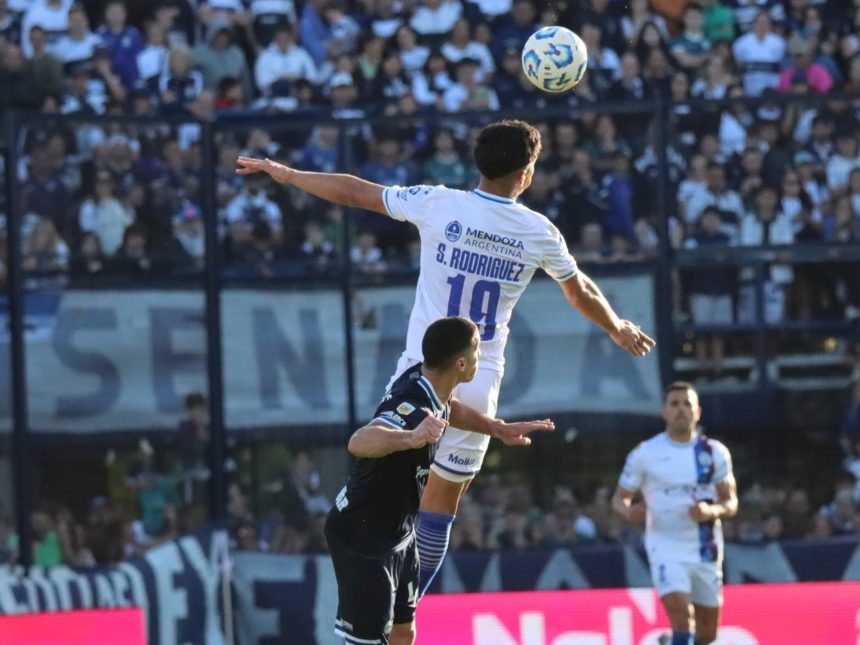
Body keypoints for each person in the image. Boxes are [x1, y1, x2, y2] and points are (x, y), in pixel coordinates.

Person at [236, 118, 656, 597]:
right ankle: (404, 614)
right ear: (526, 175)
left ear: (478, 163)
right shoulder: (539, 231)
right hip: (477, 378)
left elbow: (357, 193)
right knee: (439, 509)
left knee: (386, 491)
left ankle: (376, 607)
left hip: (422, 373)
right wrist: (616, 326)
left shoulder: (439, 203)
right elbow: (577, 289)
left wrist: (287, 174)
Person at [324, 316, 553, 645]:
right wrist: (410, 438)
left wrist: (497, 428)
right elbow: (359, 441)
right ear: (461, 363)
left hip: (399, 532)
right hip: (363, 537)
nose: (480, 355)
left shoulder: (432, 383)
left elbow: (450, 408)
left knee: (404, 632)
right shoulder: (412, 404)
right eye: (476, 349)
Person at [611, 382, 738, 645]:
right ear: (664, 412)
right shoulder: (645, 454)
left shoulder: (715, 453)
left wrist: (711, 510)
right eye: (675, 404)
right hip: (665, 548)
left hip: (705, 549)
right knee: (682, 618)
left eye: (687, 404)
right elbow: (619, 499)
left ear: (698, 412)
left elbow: (731, 502)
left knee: (707, 634)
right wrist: (630, 512)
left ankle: (672, 641)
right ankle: (678, 637)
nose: (681, 409)